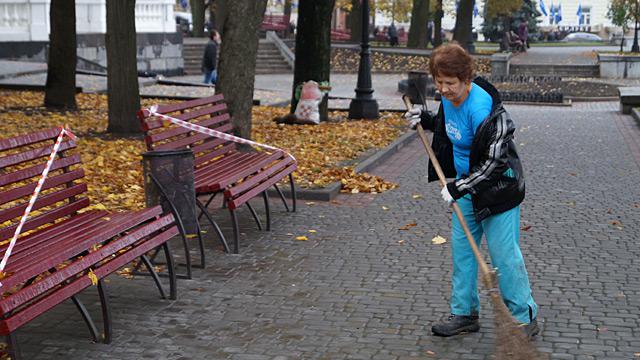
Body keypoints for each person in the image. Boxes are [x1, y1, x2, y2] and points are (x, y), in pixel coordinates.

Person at [403, 43, 539, 338]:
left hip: (498, 189)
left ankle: (523, 317)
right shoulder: (449, 99)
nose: (444, 90)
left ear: (467, 79)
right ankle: (464, 314)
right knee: (463, 254)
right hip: (466, 187)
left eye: (450, 83)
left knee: (505, 257)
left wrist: (458, 187)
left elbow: (494, 162)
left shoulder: (486, 110)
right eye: (438, 83)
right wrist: (424, 120)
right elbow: (447, 124)